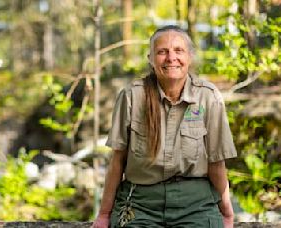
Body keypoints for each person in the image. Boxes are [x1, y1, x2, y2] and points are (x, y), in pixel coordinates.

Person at [92, 25, 237, 228]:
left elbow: (216, 163)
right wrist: (103, 215)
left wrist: (227, 213)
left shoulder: (208, 97)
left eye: (178, 50)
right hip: (140, 204)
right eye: (162, 52)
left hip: (195, 204)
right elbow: (117, 161)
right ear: (151, 59)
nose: (171, 58)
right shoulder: (132, 96)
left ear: (190, 57)